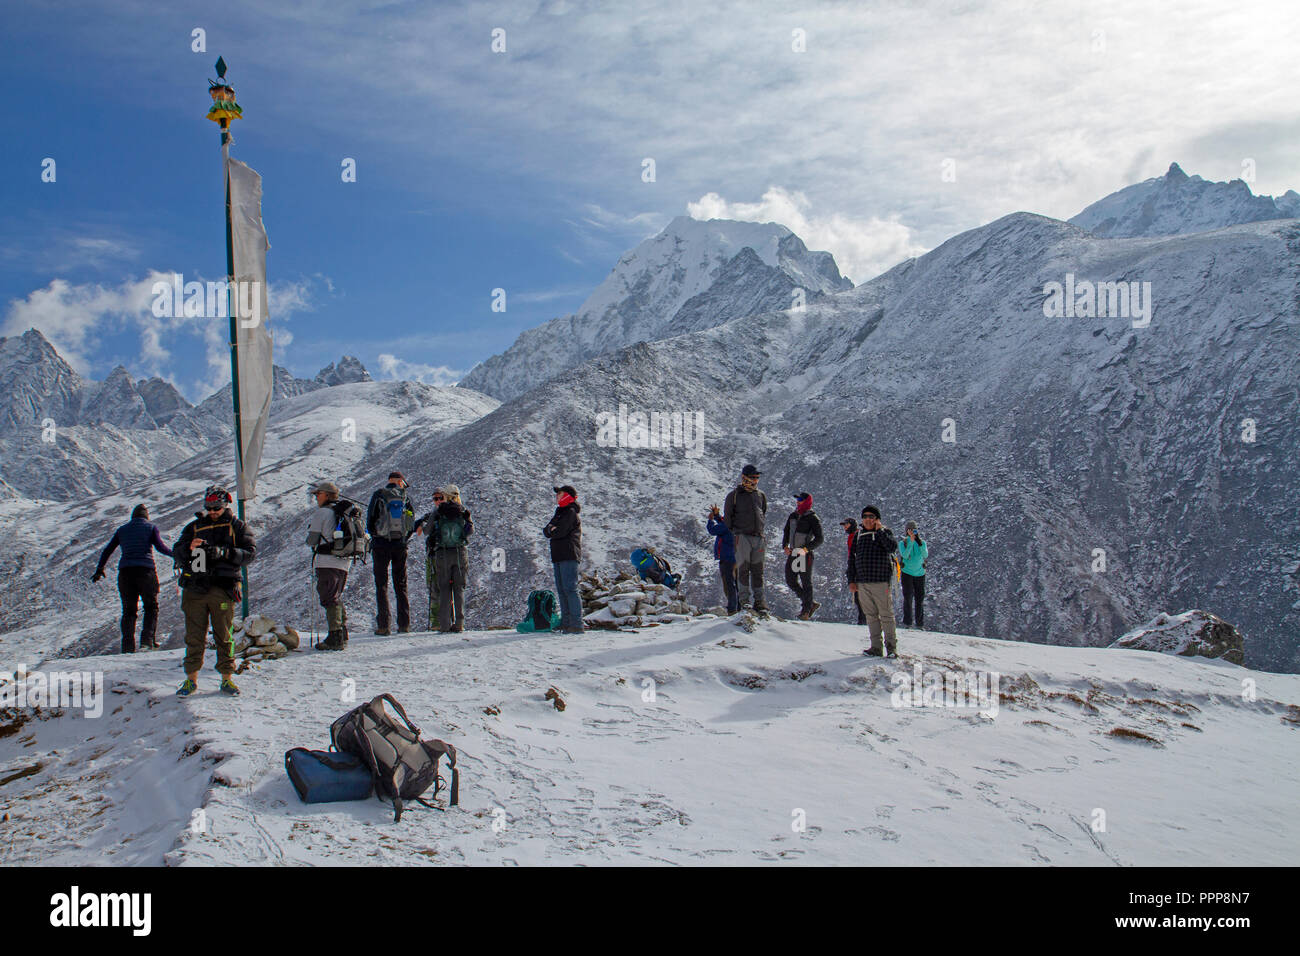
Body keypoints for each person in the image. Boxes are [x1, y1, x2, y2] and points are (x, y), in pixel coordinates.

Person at [173, 485, 255, 696]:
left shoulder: (237, 527)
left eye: (216, 507)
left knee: (224, 636)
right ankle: (191, 679)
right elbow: (177, 552)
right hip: (195, 586)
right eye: (209, 508)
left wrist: (222, 552)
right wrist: (188, 548)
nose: (212, 512)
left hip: (223, 587)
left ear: (225, 504)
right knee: (194, 636)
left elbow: (249, 554)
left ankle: (227, 678)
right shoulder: (194, 527)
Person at [92, 503, 173, 653]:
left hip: (125, 573)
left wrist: (100, 569)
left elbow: (108, 550)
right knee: (151, 607)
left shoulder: (122, 530)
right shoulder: (150, 528)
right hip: (146, 571)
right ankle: (147, 642)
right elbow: (160, 547)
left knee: (129, 611)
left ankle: (127, 647)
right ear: (146, 516)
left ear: (133, 516)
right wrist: (176, 555)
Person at [307, 481, 356, 651]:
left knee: (329, 597)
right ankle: (342, 632)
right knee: (336, 594)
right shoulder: (342, 513)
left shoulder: (322, 513)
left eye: (318, 494)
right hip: (344, 561)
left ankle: (335, 636)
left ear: (327, 495)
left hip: (327, 561)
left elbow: (312, 540)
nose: (316, 497)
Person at [367, 470, 415, 635]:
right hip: (400, 546)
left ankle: (383, 625)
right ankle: (404, 624)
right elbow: (411, 523)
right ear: (400, 481)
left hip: (380, 545)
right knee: (401, 584)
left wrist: (377, 536)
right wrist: (403, 539)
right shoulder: (405, 497)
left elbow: (370, 522)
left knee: (381, 585)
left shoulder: (379, 495)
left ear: (389, 481)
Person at [848, 505, 898, 657]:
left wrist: (880, 531)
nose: (868, 519)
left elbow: (891, 547)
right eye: (865, 516)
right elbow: (852, 559)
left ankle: (891, 648)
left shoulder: (885, 533)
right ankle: (876, 647)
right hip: (862, 582)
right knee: (871, 616)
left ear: (877, 519)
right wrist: (851, 580)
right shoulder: (858, 536)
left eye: (871, 517)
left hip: (881, 581)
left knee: (886, 615)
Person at [425, 484, 473, 633]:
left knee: (444, 589)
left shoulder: (438, 511)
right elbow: (470, 530)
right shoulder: (463, 511)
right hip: (460, 553)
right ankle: (459, 624)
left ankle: (445, 625)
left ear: (445, 496)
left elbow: (427, 531)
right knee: (459, 589)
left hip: (442, 554)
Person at [723, 464, 768, 614]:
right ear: (745, 478)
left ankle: (760, 602)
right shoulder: (734, 496)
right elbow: (728, 519)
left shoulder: (760, 495)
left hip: (758, 537)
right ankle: (745, 602)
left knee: (758, 571)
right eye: (753, 478)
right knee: (743, 570)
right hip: (741, 537)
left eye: (757, 478)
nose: (755, 481)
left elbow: (763, 512)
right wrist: (737, 533)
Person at [543, 484, 583, 634]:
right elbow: (546, 531)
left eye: (560, 493)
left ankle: (577, 624)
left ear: (567, 495)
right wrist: (551, 529)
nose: (557, 496)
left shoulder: (571, 512)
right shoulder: (559, 512)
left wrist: (553, 529)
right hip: (558, 555)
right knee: (561, 589)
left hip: (569, 554)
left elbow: (559, 532)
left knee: (570, 588)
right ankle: (566, 622)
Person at [781, 492, 824, 619]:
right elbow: (786, 531)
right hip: (793, 552)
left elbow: (820, 538)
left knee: (806, 582)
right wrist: (785, 546)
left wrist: (806, 549)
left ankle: (806, 611)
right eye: (797, 499)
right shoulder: (793, 516)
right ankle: (810, 603)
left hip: (804, 554)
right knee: (791, 580)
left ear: (806, 501)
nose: (797, 501)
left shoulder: (813, 518)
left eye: (800, 499)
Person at [413, 487, 447, 630]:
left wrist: (422, 522)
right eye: (436, 498)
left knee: (434, 587)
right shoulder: (455, 512)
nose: (438, 501)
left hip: (434, 554)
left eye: (440, 498)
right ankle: (448, 620)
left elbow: (423, 532)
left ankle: (436, 622)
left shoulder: (433, 514)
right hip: (450, 555)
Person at [706, 504, 739, 614]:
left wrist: (710, 520)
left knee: (729, 584)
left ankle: (732, 609)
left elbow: (713, 530)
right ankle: (738, 607)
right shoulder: (735, 522)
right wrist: (717, 515)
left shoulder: (727, 525)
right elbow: (723, 522)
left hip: (727, 558)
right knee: (735, 583)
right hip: (736, 557)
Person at [898, 520, 928, 629]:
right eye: (909, 530)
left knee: (919, 599)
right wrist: (910, 542)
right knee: (908, 597)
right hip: (907, 573)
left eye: (914, 530)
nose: (912, 532)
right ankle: (908, 622)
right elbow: (905, 555)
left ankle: (920, 623)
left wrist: (919, 543)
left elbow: (925, 554)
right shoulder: (903, 543)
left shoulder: (922, 543)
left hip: (920, 573)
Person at [841, 518, 867, 625]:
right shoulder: (852, 536)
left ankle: (863, 619)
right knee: (858, 595)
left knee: (859, 595)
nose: (844, 527)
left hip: (858, 567)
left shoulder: (857, 536)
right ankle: (862, 619)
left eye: (846, 524)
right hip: (855, 566)